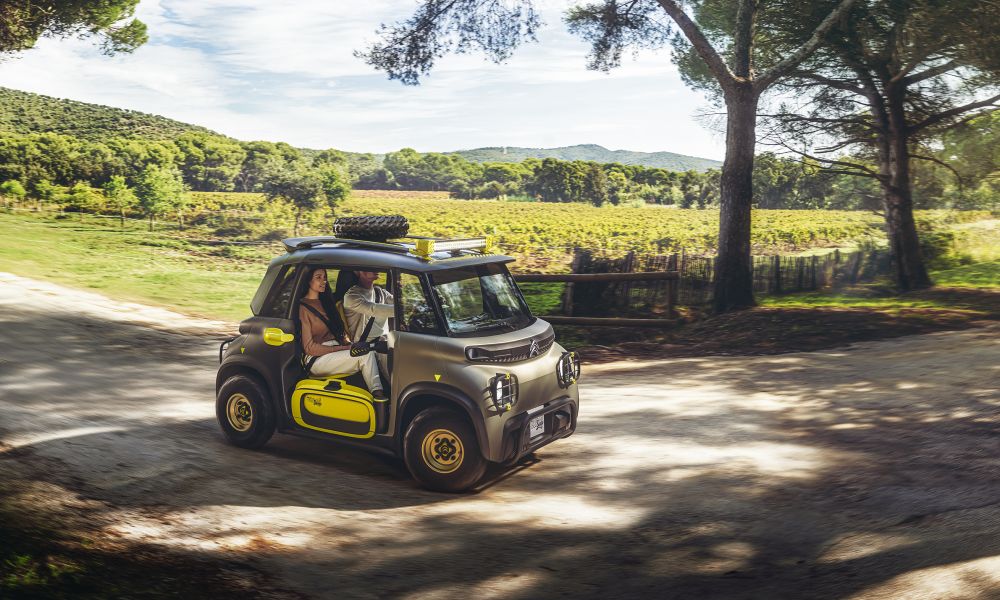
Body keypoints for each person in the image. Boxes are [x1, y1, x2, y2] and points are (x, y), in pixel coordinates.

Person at [299, 268, 385, 399]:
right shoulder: (303, 308)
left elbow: (340, 332)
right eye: (318, 277)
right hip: (317, 359)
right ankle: (379, 398)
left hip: (336, 351)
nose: (324, 281)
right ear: (308, 281)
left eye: (325, 277)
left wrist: (349, 344)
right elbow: (309, 348)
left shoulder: (327, 302)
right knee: (365, 355)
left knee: (371, 349)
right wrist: (343, 348)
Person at [343, 270, 395, 344]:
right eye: (371, 267)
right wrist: (404, 310)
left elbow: (399, 304)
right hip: (365, 348)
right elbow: (374, 309)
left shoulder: (380, 292)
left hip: (385, 343)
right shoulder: (351, 297)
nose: (376, 268)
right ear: (360, 271)